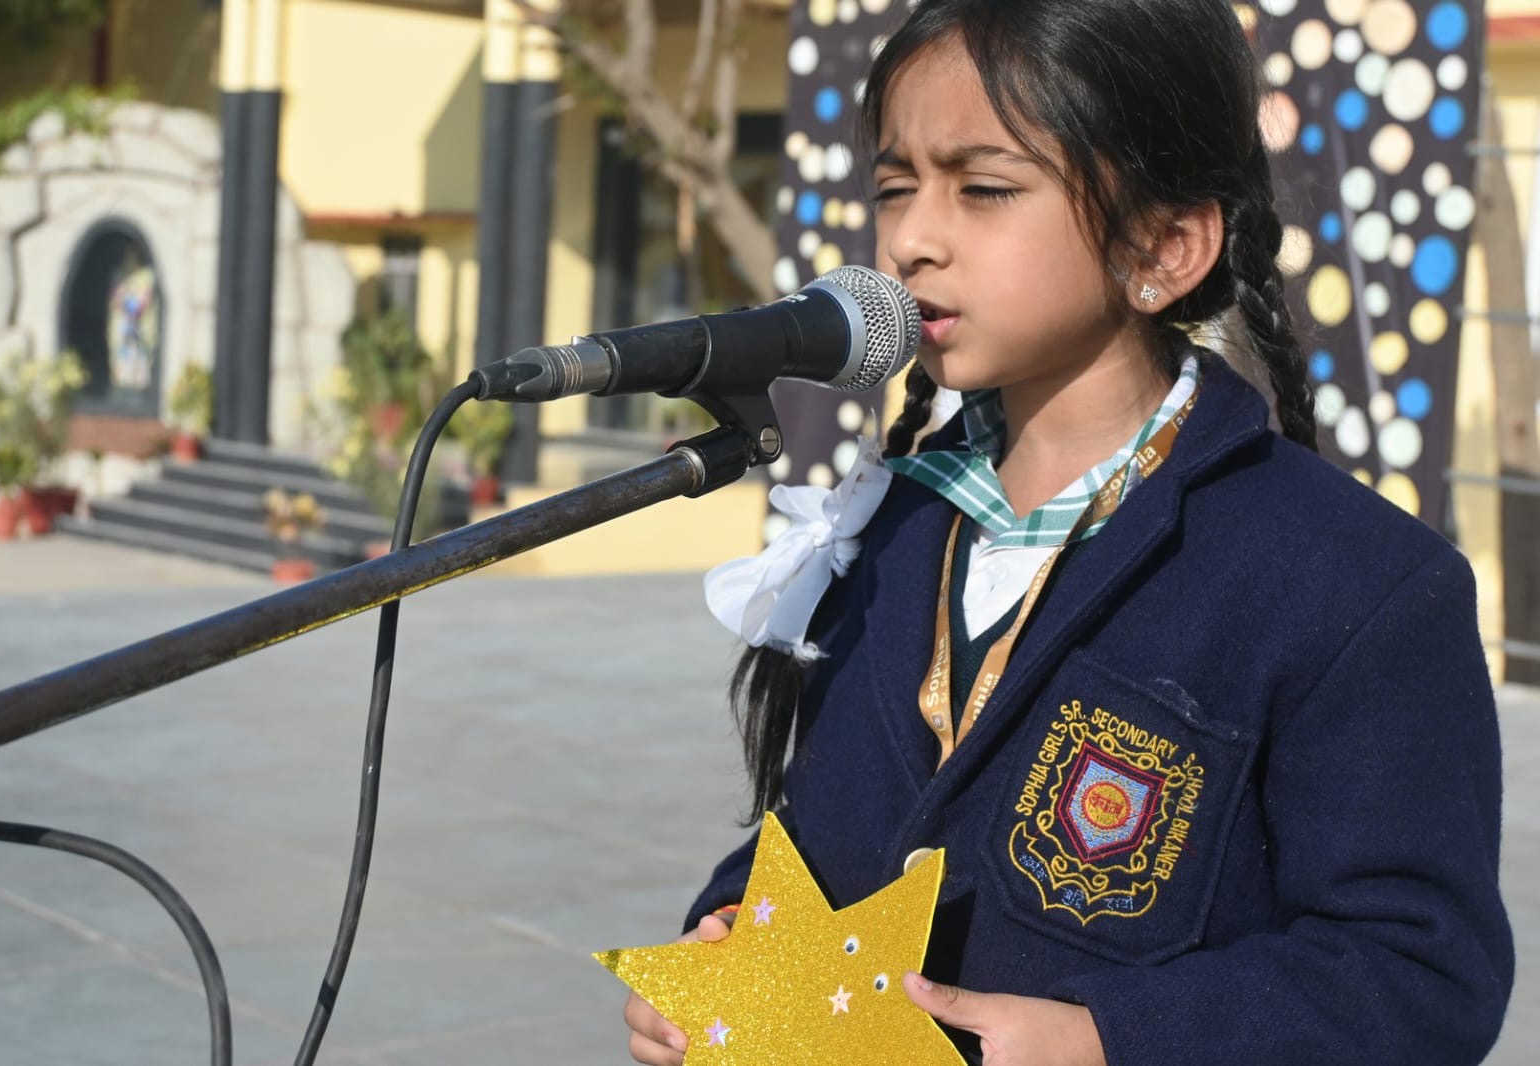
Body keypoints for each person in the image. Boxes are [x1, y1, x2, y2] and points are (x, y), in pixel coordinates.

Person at [622, 1, 1514, 1063]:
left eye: (984, 188)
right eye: (895, 186)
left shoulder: (1356, 582)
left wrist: (1110, 1038)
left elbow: (1419, 973)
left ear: (1164, 246)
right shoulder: (893, 520)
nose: (910, 239)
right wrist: (732, 938)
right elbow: (819, 833)